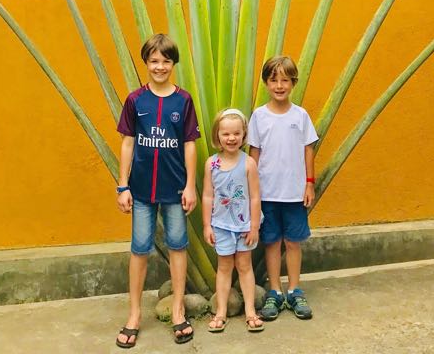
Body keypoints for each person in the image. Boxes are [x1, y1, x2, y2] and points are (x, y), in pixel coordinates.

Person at [115, 33, 200, 348]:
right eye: (154, 61)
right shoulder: (135, 100)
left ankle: (178, 310)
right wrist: (122, 185)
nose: (160, 67)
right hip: (140, 191)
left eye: (165, 61)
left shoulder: (183, 100)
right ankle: (134, 314)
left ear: (173, 63)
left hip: (175, 189)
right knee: (139, 248)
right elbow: (127, 143)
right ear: (146, 63)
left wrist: (190, 186)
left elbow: (189, 144)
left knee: (177, 245)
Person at [248, 55, 318, 321]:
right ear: (266, 83)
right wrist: (252, 190)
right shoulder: (259, 116)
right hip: (267, 193)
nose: (279, 85)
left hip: (294, 193)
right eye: (274, 80)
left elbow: (308, 150)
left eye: (285, 80)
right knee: (272, 242)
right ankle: (275, 291)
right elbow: (254, 153)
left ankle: (295, 289)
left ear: (293, 83)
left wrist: (309, 184)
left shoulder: (300, 116)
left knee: (293, 242)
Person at [201, 108, 264, 335]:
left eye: (236, 133)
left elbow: (255, 197)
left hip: (244, 226)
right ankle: (221, 312)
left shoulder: (248, 164)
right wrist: (207, 225)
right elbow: (207, 195)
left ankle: (250, 311)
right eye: (226, 134)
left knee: (245, 266)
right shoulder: (212, 164)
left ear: (244, 134)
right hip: (221, 226)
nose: (231, 138)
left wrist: (254, 226)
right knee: (224, 267)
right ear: (217, 135)